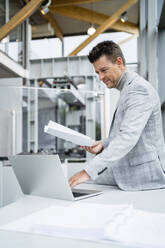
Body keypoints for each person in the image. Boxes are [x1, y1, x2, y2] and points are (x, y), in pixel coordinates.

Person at [69, 40, 165, 191]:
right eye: (97, 73)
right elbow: (124, 133)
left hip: (144, 174)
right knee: (74, 179)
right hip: (127, 167)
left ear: (119, 62)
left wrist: (88, 171)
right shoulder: (127, 88)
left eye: (104, 70)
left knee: (81, 179)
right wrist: (103, 145)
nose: (100, 77)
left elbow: (128, 136)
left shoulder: (138, 89)